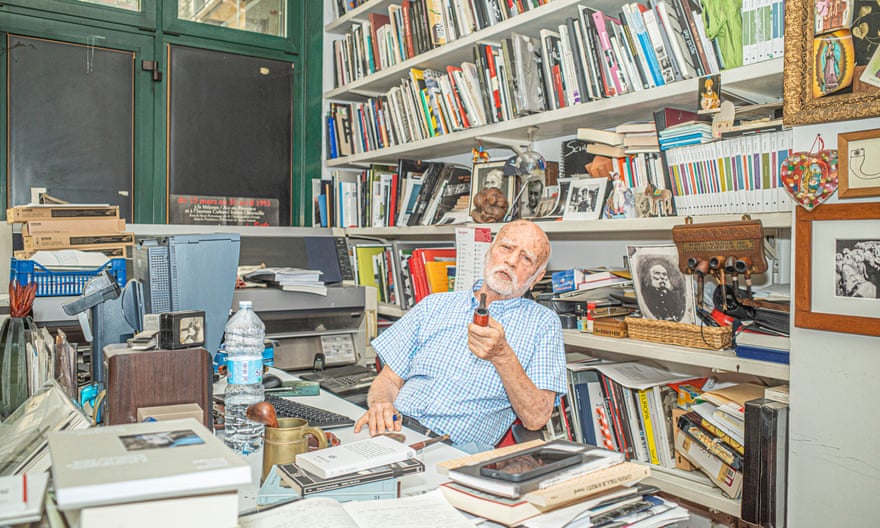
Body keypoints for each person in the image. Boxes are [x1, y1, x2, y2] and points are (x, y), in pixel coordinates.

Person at [353, 220, 566, 453]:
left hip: (452, 450)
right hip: (392, 431)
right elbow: (389, 380)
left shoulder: (543, 324)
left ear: (537, 277)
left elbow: (536, 418)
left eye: (526, 258)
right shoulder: (435, 304)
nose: (512, 261)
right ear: (489, 251)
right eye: (506, 248)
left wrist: (502, 356)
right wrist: (381, 403)